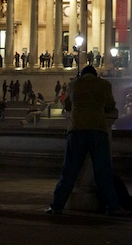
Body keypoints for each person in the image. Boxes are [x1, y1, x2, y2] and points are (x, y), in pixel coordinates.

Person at [47, 65, 123, 215]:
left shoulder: (73, 84)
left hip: (77, 129)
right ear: (95, 75)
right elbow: (110, 105)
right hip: (98, 129)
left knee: (69, 170)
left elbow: (67, 105)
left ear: (82, 74)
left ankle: (57, 206)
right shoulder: (104, 85)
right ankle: (112, 206)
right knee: (102, 170)